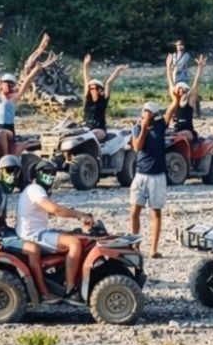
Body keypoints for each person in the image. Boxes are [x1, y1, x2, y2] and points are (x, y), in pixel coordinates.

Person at [0, 155, 55, 303]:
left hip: (2, 230)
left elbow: (28, 186)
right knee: (33, 249)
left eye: (15, 171)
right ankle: (43, 291)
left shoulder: (3, 186)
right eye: (9, 170)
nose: (12, 174)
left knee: (28, 236)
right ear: (0, 171)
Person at [16, 160, 94, 303]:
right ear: (38, 174)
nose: (51, 177)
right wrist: (79, 215)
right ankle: (70, 290)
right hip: (33, 235)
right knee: (74, 244)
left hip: (37, 231)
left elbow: (52, 211)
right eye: (47, 173)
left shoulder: (36, 190)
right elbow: (54, 209)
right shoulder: (35, 189)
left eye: (53, 174)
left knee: (73, 234)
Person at [129, 100, 177, 259]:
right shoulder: (137, 128)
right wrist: (143, 128)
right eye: (144, 111)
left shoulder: (160, 125)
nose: (145, 114)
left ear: (154, 115)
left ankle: (153, 249)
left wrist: (176, 98)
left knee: (155, 212)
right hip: (141, 175)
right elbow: (137, 147)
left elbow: (171, 109)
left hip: (157, 176)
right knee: (134, 211)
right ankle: (135, 245)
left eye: (149, 112)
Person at [0, 43, 54, 156]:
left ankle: (6, 158)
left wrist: (36, 69)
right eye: (6, 83)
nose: (8, 85)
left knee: (2, 133)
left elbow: (27, 82)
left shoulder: (14, 97)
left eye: (11, 84)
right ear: (2, 84)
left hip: (7, 130)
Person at [81, 54, 128, 140]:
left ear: (100, 90)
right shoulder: (88, 98)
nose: (91, 89)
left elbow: (109, 82)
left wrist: (118, 69)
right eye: (90, 87)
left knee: (93, 135)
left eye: (93, 87)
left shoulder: (103, 99)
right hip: (85, 129)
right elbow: (86, 79)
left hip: (99, 129)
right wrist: (86, 65)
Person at [166, 53, 206, 140]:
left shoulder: (190, 102)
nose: (182, 91)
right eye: (180, 89)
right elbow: (170, 82)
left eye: (184, 89)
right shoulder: (175, 101)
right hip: (177, 130)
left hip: (188, 131)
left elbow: (196, 83)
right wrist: (168, 67)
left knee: (183, 135)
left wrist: (200, 68)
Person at [168, 39, 200, 118]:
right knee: (175, 97)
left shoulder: (186, 55)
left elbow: (180, 65)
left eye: (181, 45)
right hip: (175, 79)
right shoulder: (173, 56)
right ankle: (176, 112)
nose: (180, 47)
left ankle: (195, 112)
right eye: (178, 45)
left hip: (183, 79)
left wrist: (172, 67)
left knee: (189, 93)